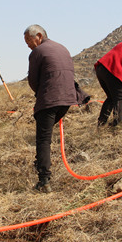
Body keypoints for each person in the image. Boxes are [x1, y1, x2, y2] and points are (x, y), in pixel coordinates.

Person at [25, 24, 77, 192]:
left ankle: (44, 180)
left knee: (43, 139)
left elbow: (33, 81)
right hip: (68, 99)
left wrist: (41, 94)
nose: (27, 45)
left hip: (49, 100)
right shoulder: (62, 47)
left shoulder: (37, 52)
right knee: (46, 134)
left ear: (39, 36)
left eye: (28, 40)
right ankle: (39, 161)